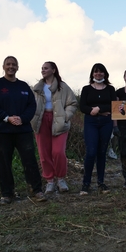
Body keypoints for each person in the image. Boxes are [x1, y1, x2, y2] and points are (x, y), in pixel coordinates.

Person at [0, 56, 47, 204]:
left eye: (14, 64)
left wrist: (22, 118)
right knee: (4, 163)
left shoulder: (24, 87)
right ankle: (7, 194)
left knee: (30, 160)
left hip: (22, 130)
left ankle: (36, 190)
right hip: (1, 130)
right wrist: (7, 117)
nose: (11, 67)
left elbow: (32, 106)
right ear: (3, 66)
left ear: (17, 67)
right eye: (8, 64)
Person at [31, 61, 78, 194]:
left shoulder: (63, 87)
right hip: (41, 121)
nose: (43, 70)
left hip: (59, 121)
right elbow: (30, 104)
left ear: (53, 70)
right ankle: (50, 181)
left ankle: (61, 178)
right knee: (44, 153)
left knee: (58, 152)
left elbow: (72, 103)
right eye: (42, 68)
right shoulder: (37, 87)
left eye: (46, 68)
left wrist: (65, 116)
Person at [79, 63, 116, 195]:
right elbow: (82, 106)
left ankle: (101, 183)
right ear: (92, 74)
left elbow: (114, 105)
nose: (98, 74)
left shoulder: (110, 89)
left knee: (102, 152)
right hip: (91, 123)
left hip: (106, 123)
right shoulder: (86, 89)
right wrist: (92, 110)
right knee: (91, 152)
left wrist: (99, 109)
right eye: (96, 72)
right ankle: (85, 184)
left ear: (105, 74)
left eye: (101, 72)